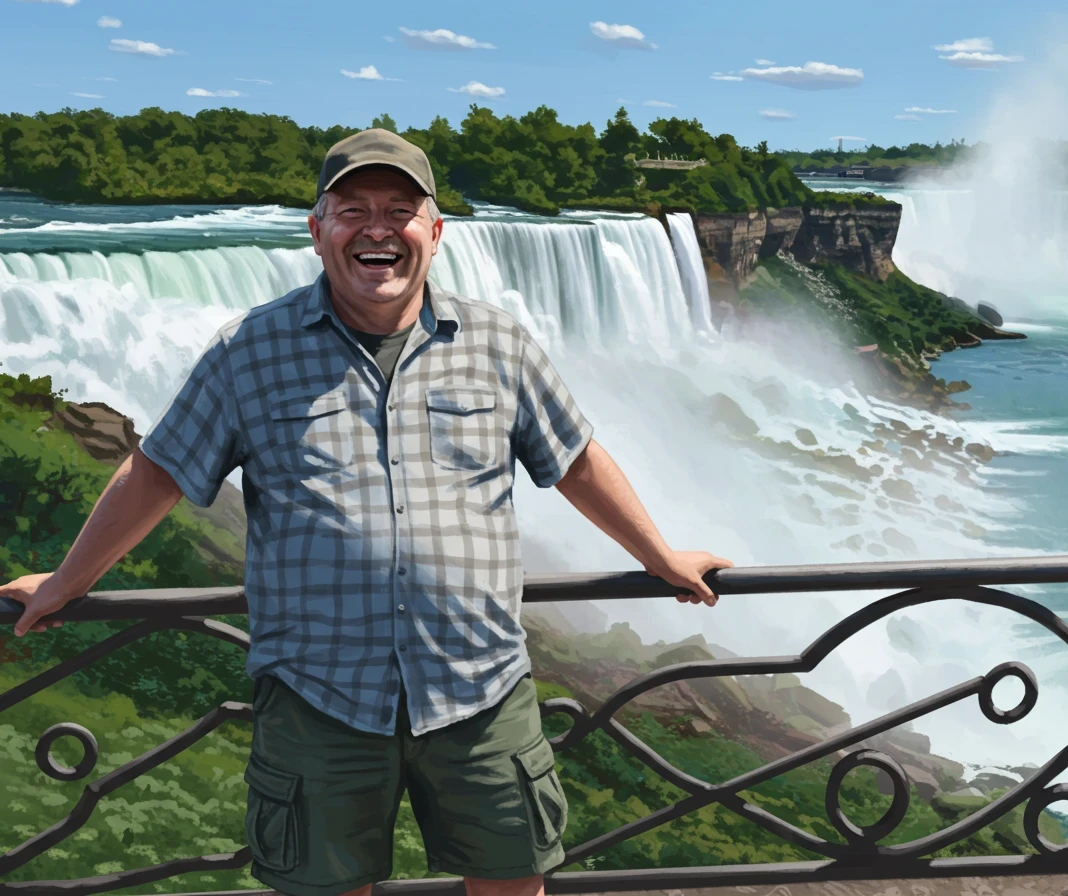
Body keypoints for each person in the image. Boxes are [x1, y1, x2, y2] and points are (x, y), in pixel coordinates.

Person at [0, 128, 733, 896]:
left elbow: (574, 458)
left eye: (400, 209)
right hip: (321, 693)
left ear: (435, 232)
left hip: (479, 683)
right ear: (318, 232)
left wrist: (661, 558)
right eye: (353, 209)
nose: (378, 227)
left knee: (513, 883)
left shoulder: (497, 343)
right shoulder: (248, 350)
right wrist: (66, 582)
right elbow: (156, 471)